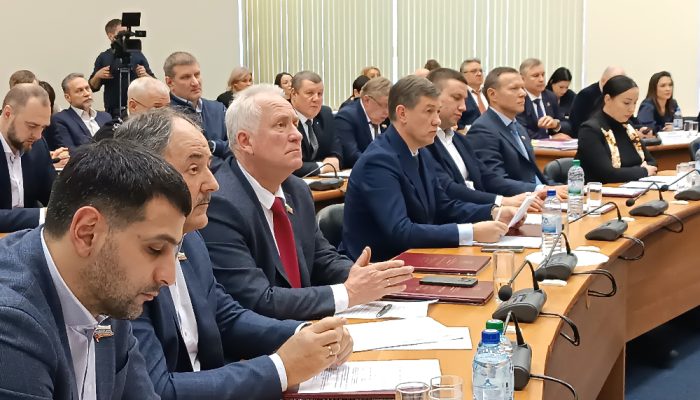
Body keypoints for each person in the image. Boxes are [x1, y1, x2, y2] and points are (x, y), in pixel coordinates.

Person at [115, 108, 353, 400]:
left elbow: (225, 317)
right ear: (143, 177)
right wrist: (281, 368)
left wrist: (306, 334)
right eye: (194, 169)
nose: (213, 184)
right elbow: (158, 390)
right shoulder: (121, 264)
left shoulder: (191, 239)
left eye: (208, 166)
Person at [200, 84, 413, 320]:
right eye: (281, 125)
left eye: (294, 123)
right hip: (265, 336)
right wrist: (349, 292)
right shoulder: (220, 204)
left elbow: (321, 258)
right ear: (245, 141)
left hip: (309, 324)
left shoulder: (297, 189)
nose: (297, 134)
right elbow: (257, 299)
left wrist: (364, 276)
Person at [0, 139, 193, 399]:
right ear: (87, 233)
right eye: (155, 249)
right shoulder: (10, 322)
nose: (168, 277)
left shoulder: (105, 287)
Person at [340, 75, 518, 262]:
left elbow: (444, 206)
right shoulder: (378, 161)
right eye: (429, 111)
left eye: (438, 111)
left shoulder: (420, 151)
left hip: (417, 258)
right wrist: (471, 232)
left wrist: (493, 212)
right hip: (381, 266)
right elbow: (400, 231)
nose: (437, 121)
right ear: (402, 113)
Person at [424, 68, 543, 211]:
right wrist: (501, 202)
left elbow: (487, 177)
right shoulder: (424, 143)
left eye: (465, 100)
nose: (463, 107)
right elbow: (449, 189)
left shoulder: (459, 140)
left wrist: (540, 190)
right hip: (464, 217)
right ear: (432, 99)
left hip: (483, 212)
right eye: (456, 98)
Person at [465, 67, 567, 197]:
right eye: (514, 88)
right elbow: (495, 182)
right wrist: (542, 189)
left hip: (537, 197)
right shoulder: (482, 130)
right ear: (492, 94)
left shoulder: (517, 126)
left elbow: (533, 175)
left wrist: (558, 187)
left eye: (522, 88)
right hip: (516, 203)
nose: (523, 93)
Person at [576, 75, 658, 184]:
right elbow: (608, 174)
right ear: (607, 99)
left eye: (635, 103)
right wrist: (643, 171)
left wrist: (641, 170)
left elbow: (652, 162)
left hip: (631, 188)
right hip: (601, 191)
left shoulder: (628, 127)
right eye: (626, 103)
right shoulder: (590, 130)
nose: (632, 109)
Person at [0, 84, 55, 232]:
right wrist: (40, 215)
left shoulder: (38, 146)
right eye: (32, 126)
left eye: (43, 127)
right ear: (7, 114)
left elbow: (54, 195)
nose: (38, 136)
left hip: (30, 236)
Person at [164, 51, 229, 158]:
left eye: (197, 75)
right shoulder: (165, 116)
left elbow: (237, 146)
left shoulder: (218, 109)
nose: (195, 82)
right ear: (170, 82)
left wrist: (214, 146)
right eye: (186, 77)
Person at [89, 18, 155, 118]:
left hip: (138, 112)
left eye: (127, 33)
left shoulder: (138, 55)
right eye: (122, 33)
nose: (126, 36)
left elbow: (155, 83)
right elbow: (92, 87)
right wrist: (97, 76)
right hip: (113, 113)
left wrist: (145, 75)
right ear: (111, 36)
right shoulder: (103, 57)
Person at [289, 71, 343, 176]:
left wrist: (335, 159)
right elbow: (287, 165)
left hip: (322, 181)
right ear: (294, 94)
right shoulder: (284, 118)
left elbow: (337, 152)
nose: (316, 99)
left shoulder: (325, 114)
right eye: (309, 93)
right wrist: (322, 167)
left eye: (320, 94)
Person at [44, 73, 112, 151]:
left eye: (87, 88)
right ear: (68, 97)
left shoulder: (105, 117)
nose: (87, 94)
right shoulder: (60, 120)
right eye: (80, 91)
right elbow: (70, 152)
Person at [94, 76, 171, 141]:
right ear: (133, 106)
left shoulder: (170, 128)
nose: (165, 114)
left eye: (167, 107)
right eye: (157, 108)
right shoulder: (110, 136)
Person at [336, 76, 391, 167]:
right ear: (367, 100)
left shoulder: (384, 118)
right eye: (384, 106)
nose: (387, 112)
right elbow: (352, 156)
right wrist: (383, 165)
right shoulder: (346, 116)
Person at [516, 58, 571, 140]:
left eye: (543, 74)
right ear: (522, 79)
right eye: (536, 76)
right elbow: (521, 131)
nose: (541, 79)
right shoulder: (518, 98)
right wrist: (549, 139)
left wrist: (556, 124)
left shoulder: (550, 97)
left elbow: (567, 125)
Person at [569, 66, 625, 137]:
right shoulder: (585, 95)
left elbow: (629, 120)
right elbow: (577, 124)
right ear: (603, 81)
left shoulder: (619, 95)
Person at [458, 58, 488, 130]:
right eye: (474, 71)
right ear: (463, 75)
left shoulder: (488, 92)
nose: (479, 74)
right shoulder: (459, 94)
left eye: (481, 71)